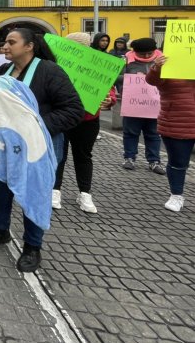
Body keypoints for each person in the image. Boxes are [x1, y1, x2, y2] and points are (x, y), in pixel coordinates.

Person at [0, 28, 83, 272]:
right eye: (4, 42)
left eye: (12, 42)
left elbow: (73, 110)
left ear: (29, 46)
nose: (5, 46)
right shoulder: (4, 71)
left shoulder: (49, 72)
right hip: (7, 147)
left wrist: (36, 126)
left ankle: (32, 247)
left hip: (38, 147)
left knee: (33, 192)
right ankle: (0, 230)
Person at [52, 32, 116, 214]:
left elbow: (109, 88)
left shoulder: (98, 65)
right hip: (62, 117)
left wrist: (109, 99)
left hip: (88, 119)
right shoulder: (56, 65)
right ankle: (55, 190)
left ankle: (85, 193)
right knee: (58, 155)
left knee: (83, 156)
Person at [146, 55, 195, 212]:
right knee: (178, 163)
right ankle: (176, 195)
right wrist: (157, 67)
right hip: (176, 122)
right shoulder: (168, 63)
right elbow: (151, 80)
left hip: (177, 121)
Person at [120, 38, 164, 174]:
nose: (146, 56)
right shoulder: (126, 60)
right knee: (131, 132)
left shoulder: (162, 60)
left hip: (154, 104)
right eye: (142, 54)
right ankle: (129, 158)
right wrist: (130, 78)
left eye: (149, 53)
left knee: (154, 133)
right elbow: (116, 76)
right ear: (134, 52)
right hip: (133, 104)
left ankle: (154, 161)